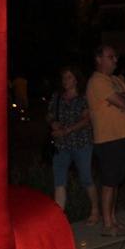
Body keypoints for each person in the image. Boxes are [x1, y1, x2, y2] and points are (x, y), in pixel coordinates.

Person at [86, 44, 125, 236]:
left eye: (115, 56)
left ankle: (114, 221)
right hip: (109, 138)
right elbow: (124, 101)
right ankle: (108, 225)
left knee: (116, 180)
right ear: (99, 59)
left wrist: (124, 96)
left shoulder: (114, 79)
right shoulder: (98, 81)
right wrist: (124, 97)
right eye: (110, 57)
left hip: (122, 136)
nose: (115, 60)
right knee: (109, 181)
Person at [47, 66, 99, 223]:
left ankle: (95, 210)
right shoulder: (57, 97)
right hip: (61, 145)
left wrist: (68, 130)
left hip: (81, 143)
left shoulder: (83, 97)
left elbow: (86, 119)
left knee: (86, 178)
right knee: (59, 180)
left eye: (69, 77)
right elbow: (49, 114)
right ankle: (59, 218)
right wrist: (53, 123)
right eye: (64, 77)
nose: (65, 81)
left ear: (76, 79)